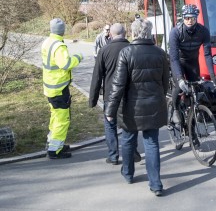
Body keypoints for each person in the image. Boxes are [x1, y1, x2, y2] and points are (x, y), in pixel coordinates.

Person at [105, 18, 169, 196]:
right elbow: (165, 84)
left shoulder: (126, 53)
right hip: (154, 104)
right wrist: (158, 97)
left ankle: (128, 173)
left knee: (127, 139)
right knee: (152, 143)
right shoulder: (160, 53)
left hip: (131, 107)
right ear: (150, 32)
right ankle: (156, 184)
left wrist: (110, 111)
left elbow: (118, 85)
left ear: (133, 33)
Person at [89, 23, 141, 165]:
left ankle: (113, 155)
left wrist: (92, 99)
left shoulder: (104, 50)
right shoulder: (133, 49)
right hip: (130, 94)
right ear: (126, 33)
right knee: (130, 123)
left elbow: (97, 76)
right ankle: (132, 151)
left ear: (110, 35)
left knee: (110, 124)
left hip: (110, 95)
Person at [168, 4, 216, 127]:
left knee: (196, 88)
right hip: (178, 61)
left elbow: (207, 55)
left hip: (192, 62)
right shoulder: (176, 32)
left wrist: (213, 76)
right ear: (183, 18)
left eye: (192, 18)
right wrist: (180, 78)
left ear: (196, 18)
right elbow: (173, 58)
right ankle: (175, 109)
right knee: (179, 86)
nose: (189, 21)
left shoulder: (203, 31)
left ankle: (193, 120)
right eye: (187, 18)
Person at [41, 18, 83, 159]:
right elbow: (65, 64)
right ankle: (55, 150)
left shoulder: (47, 42)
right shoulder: (58, 45)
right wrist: (78, 57)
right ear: (63, 30)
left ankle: (52, 142)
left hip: (50, 86)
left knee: (55, 116)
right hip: (59, 88)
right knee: (62, 119)